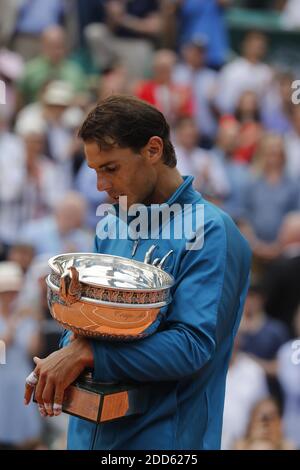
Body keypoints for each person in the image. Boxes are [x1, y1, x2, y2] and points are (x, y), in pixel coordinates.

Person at [24, 95, 251, 450]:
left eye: (110, 168)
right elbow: (83, 327)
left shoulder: (210, 231)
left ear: (153, 150)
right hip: (87, 438)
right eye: (95, 170)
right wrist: (62, 357)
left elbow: (192, 347)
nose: (101, 185)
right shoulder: (110, 225)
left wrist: (87, 355)